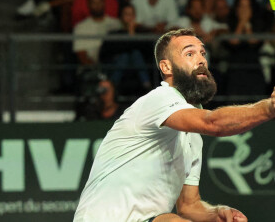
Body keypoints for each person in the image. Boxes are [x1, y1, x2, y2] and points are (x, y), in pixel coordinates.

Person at [73, 28, 275, 221]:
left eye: (202, 53)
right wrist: (268, 108)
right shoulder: (159, 99)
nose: (201, 60)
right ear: (166, 67)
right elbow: (214, 123)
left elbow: (189, 205)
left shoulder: (192, 135)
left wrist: (217, 213)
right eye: (189, 54)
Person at [73, 0, 122, 65]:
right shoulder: (80, 27)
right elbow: (82, 56)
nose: (97, 5)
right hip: (91, 70)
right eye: (94, 2)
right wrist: (98, 72)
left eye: (100, 1)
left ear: (104, 3)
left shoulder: (116, 24)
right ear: (88, 5)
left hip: (113, 66)